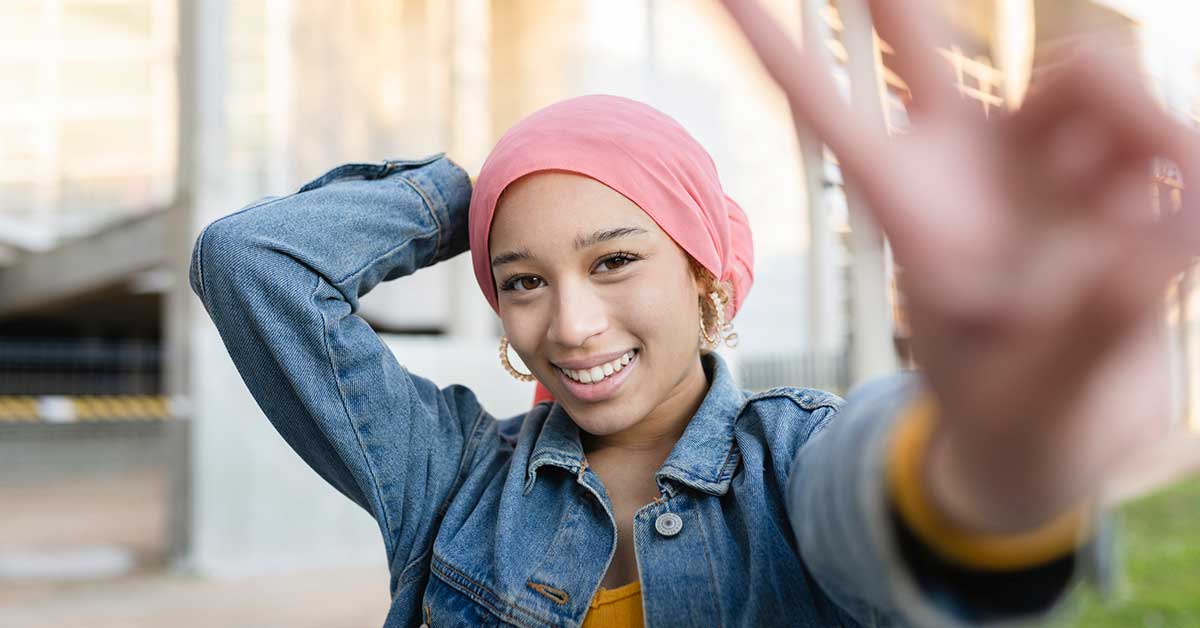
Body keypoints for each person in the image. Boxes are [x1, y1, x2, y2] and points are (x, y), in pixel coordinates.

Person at [188, 1, 1197, 626]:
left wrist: (1005, 449)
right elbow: (250, 260)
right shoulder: (446, 476)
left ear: (708, 277)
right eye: (524, 280)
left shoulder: (796, 459)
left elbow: (910, 509)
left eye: (616, 259)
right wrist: (470, 186)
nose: (572, 324)